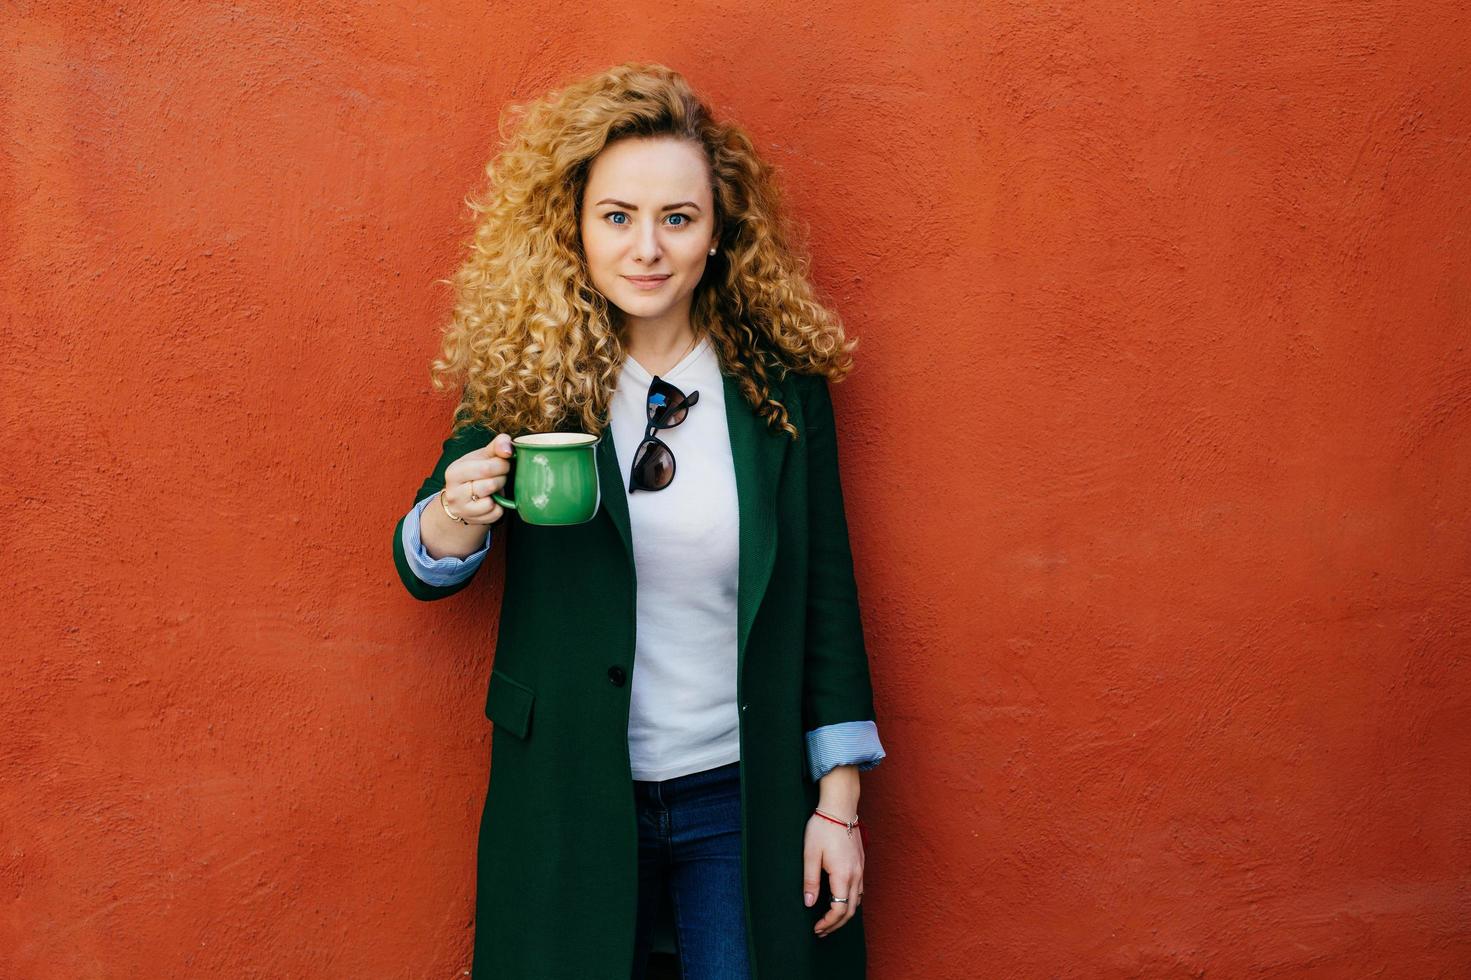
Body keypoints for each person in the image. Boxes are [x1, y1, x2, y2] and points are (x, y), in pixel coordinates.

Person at [390, 62, 887, 980]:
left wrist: (838, 806)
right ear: (573, 228)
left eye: (677, 218)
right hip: (570, 795)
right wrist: (454, 511)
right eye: (616, 217)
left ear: (718, 231)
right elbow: (424, 562)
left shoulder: (777, 390)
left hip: (741, 800)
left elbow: (825, 597)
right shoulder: (529, 378)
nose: (645, 248)